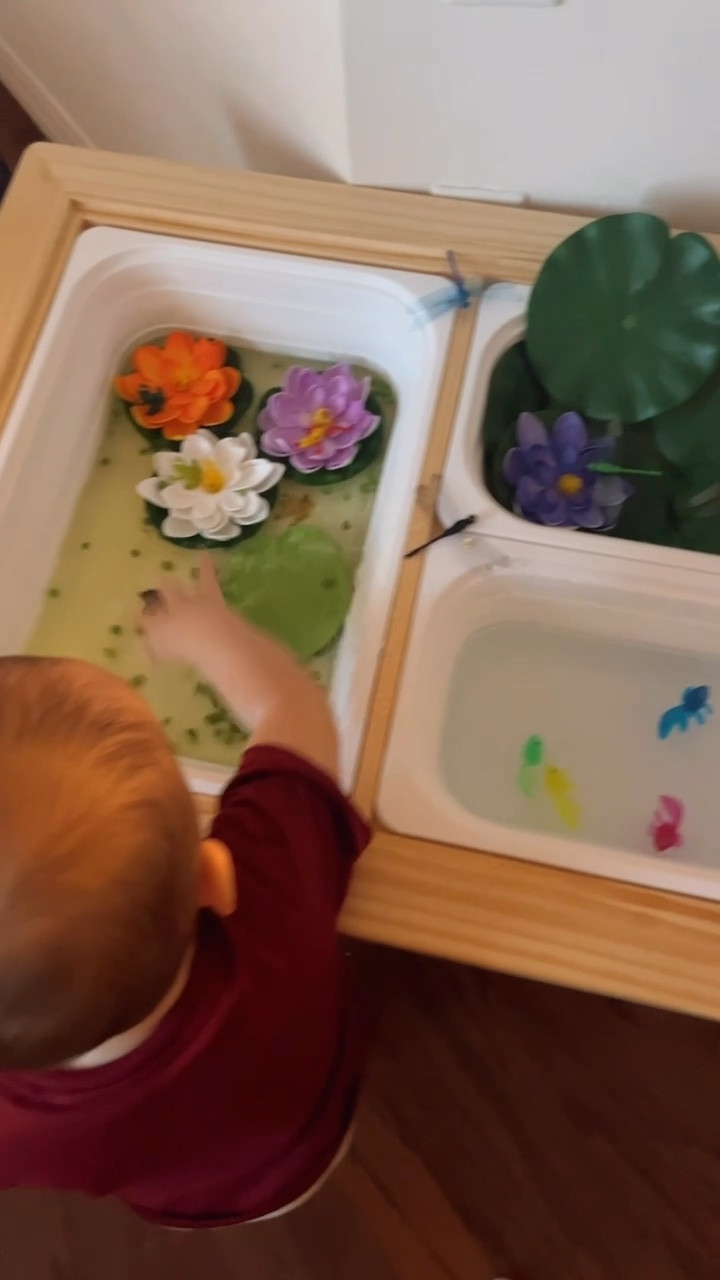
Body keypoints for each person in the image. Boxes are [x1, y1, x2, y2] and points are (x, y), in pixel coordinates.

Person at [0, 557, 369, 1227]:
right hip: (318, 1115)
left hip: (202, 1196)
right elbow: (294, 711)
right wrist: (209, 638)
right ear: (212, 875)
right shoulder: (268, 887)